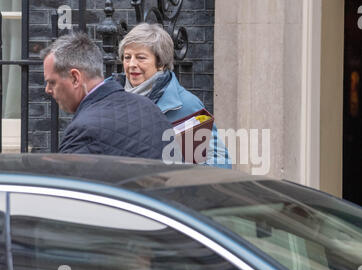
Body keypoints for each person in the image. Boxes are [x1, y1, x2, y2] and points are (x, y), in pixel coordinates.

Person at [113, 23, 232, 169]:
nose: (131, 64)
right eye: (127, 57)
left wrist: (178, 178)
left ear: (161, 63)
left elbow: (220, 162)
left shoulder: (186, 105)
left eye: (141, 58)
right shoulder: (107, 95)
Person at [41, 32, 175, 160]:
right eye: (127, 57)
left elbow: (68, 182)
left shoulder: (83, 131)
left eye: (52, 82)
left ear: (75, 78)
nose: (47, 90)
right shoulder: (150, 107)